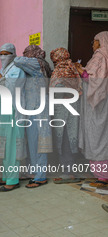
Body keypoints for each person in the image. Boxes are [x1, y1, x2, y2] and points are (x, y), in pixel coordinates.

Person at [14, 45, 53, 188]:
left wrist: (21, 57)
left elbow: (17, 60)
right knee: (33, 141)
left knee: (40, 142)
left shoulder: (37, 63)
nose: (24, 55)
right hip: (33, 108)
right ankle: (35, 172)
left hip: (40, 109)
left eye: (26, 53)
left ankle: (40, 176)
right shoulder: (38, 65)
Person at [0, 43, 27, 191]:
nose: (3, 57)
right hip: (3, 113)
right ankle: (6, 176)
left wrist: (0, 79)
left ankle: (12, 180)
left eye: (6, 53)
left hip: (12, 113)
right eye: (1, 54)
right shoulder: (4, 69)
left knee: (11, 146)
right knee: (4, 145)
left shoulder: (17, 70)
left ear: (13, 54)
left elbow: (13, 91)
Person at [76, 31, 108, 187]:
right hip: (103, 102)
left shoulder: (100, 56)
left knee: (97, 137)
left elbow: (95, 79)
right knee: (102, 136)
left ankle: (102, 175)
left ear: (101, 41)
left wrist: (80, 71)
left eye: (95, 41)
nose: (93, 44)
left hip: (98, 104)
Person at [50, 47, 82, 184]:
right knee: (69, 138)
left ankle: (68, 172)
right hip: (73, 109)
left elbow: (57, 91)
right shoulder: (72, 69)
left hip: (62, 111)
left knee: (64, 139)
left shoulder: (59, 71)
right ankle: (70, 170)